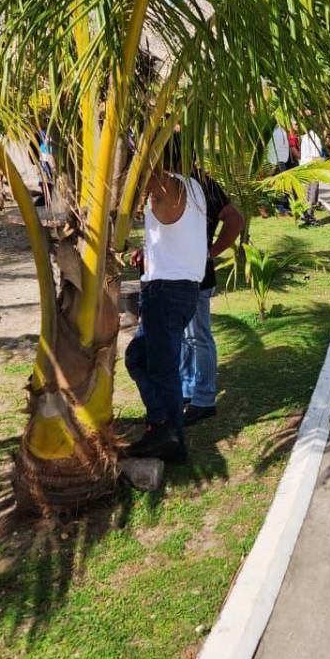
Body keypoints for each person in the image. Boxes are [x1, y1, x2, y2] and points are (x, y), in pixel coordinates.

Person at [123, 148, 210, 462]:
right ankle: (163, 428)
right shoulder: (195, 187)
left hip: (166, 291)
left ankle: (167, 433)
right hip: (183, 289)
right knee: (139, 358)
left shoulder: (168, 185)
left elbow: (135, 184)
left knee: (162, 370)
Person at [180, 169, 245, 425]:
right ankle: (187, 391)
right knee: (184, 336)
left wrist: (212, 251)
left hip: (197, 275)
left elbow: (235, 220)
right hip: (175, 275)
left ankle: (204, 399)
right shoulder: (169, 184)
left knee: (198, 336)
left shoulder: (202, 184)